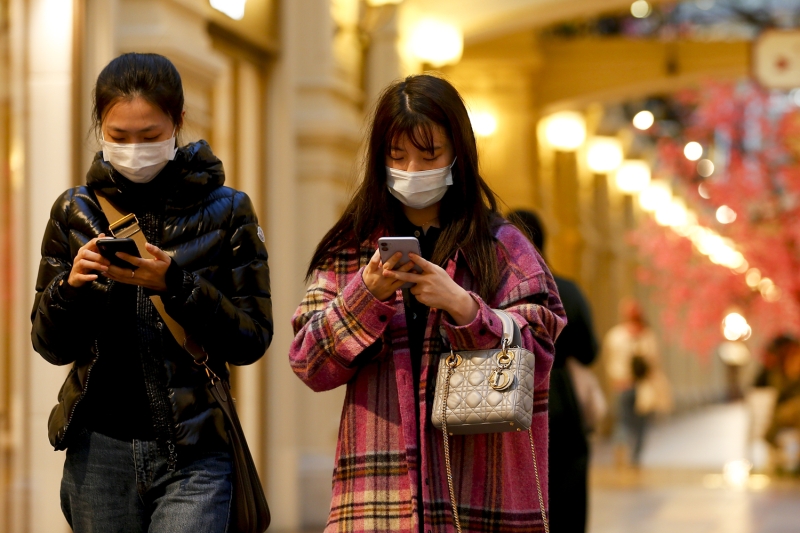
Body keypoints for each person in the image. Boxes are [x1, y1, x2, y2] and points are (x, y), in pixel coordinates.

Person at [289, 75, 565, 533]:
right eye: (398, 157)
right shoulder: (352, 249)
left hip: (481, 493)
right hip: (379, 499)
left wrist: (466, 309)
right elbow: (308, 362)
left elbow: (540, 346)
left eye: (429, 154)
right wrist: (366, 294)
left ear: (459, 153)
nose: (413, 169)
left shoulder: (501, 246)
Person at [30, 53, 273, 532]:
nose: (135, 149)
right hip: (98, 451)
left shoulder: (228, 211)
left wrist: (178, 286)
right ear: (101, 126)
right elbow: (49, 345)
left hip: (195, 453)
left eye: (150, 136)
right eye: (119, 137)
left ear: (178, 121)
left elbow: (252, 338)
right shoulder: (73, 211)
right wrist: (71, 289)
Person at [508, 209, 600, 533]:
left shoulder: (496, 291)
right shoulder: (567, 290)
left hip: (509, 393)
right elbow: (589, 352)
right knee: (567, 494)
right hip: (560, 396)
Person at [601, 298, 671, 467]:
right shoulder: (647, 336)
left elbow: (609, 361)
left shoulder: (616, 335)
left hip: (625, 385)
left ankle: (623, 449)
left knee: (624, 422)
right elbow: (654, 361)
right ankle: (634, 456)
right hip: (639, 386)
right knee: (638, 424)